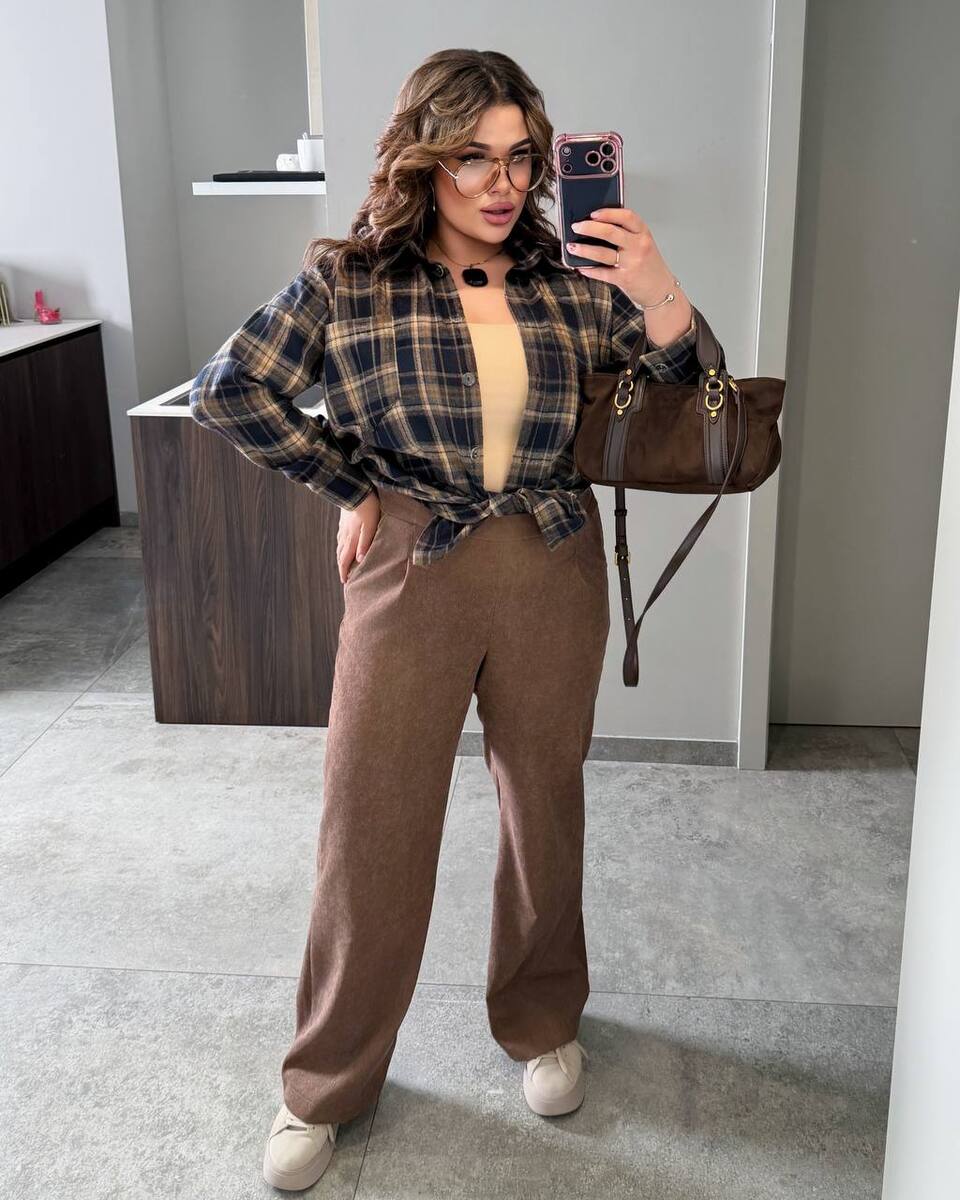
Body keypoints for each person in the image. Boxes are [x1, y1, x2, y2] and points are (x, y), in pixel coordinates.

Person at [188, 47, 721, 1193]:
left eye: (523, 159)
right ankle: (326, 1081)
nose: (503, 184)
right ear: (423, 160)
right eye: (474, 157)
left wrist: (659, 287)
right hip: (412, 569)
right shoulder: (349, 281)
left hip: (550, 564)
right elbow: (229, 390)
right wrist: (352, 486)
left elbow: (695, 405)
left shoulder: (576, 275)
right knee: (369, 827)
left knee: (544, 808)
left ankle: (542, 1019)